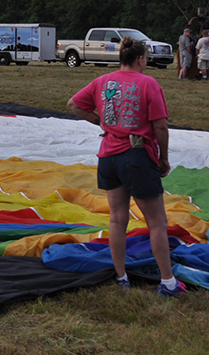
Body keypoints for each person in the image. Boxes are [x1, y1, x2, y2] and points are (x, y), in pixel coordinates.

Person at [67, 36, 186, 298]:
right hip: (136, 156)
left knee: (117, 218)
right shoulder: (148, 83)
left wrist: (101, 122)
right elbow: (160, 126)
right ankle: (168, 282)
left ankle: (121, 277)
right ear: (141, 59)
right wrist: (163, 158)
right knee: (157, 222)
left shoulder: (102, 82)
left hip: (108, 157)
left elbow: (73, 104)